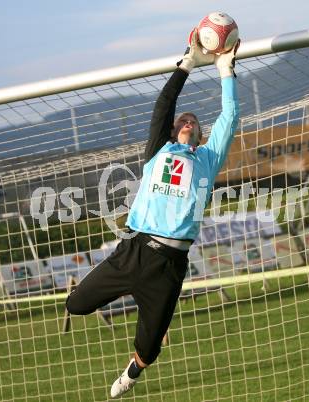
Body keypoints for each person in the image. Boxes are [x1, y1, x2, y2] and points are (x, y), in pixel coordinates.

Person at [65, 28, 240, 398]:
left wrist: (226, 69)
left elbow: (231, 115)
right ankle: (123, 294)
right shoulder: (158, 151)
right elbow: (163, 107)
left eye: (194, 121)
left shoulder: (207, 159)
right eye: (183, 120)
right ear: (174, 129)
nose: (187, 122)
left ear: (200, 134)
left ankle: (131, 372)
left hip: (169, 265)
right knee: (75, 305)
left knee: (149, 351)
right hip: (134, 251)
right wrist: (187, 65)